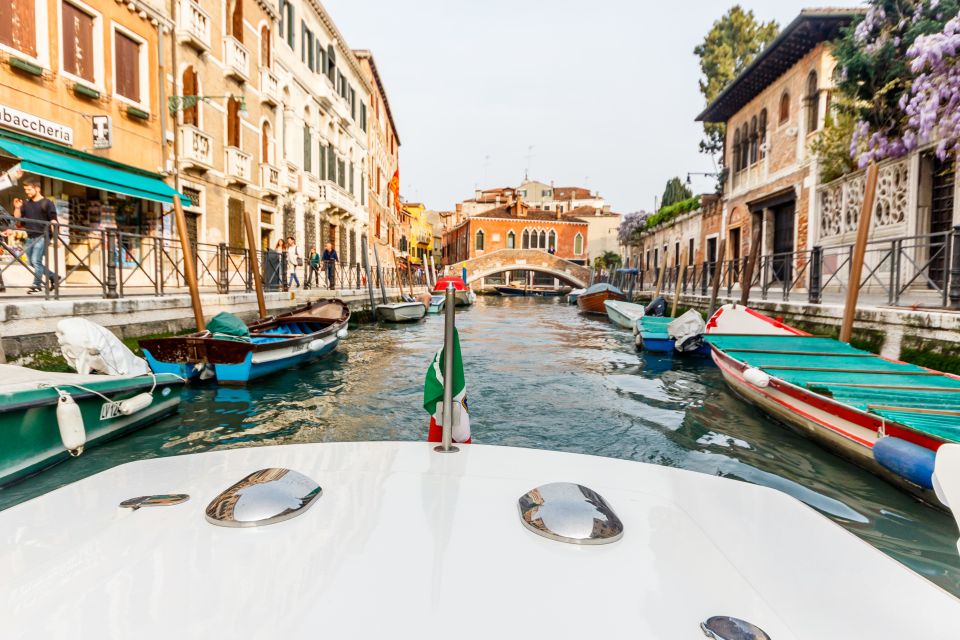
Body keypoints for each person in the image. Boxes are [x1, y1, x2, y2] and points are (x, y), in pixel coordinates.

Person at [13, 177, 59, 293]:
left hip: (43, 235)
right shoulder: (26, 204)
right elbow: (18, 219)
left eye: (29, 189)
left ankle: (36, 285)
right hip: (30, 236)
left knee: (36, 260)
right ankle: (54, 277)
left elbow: (54, 220)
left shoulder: (47, 203)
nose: (27, 192)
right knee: (31, 262)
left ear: (37, 188)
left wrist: (56, 237)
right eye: (26, 190)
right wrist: (17, 208)